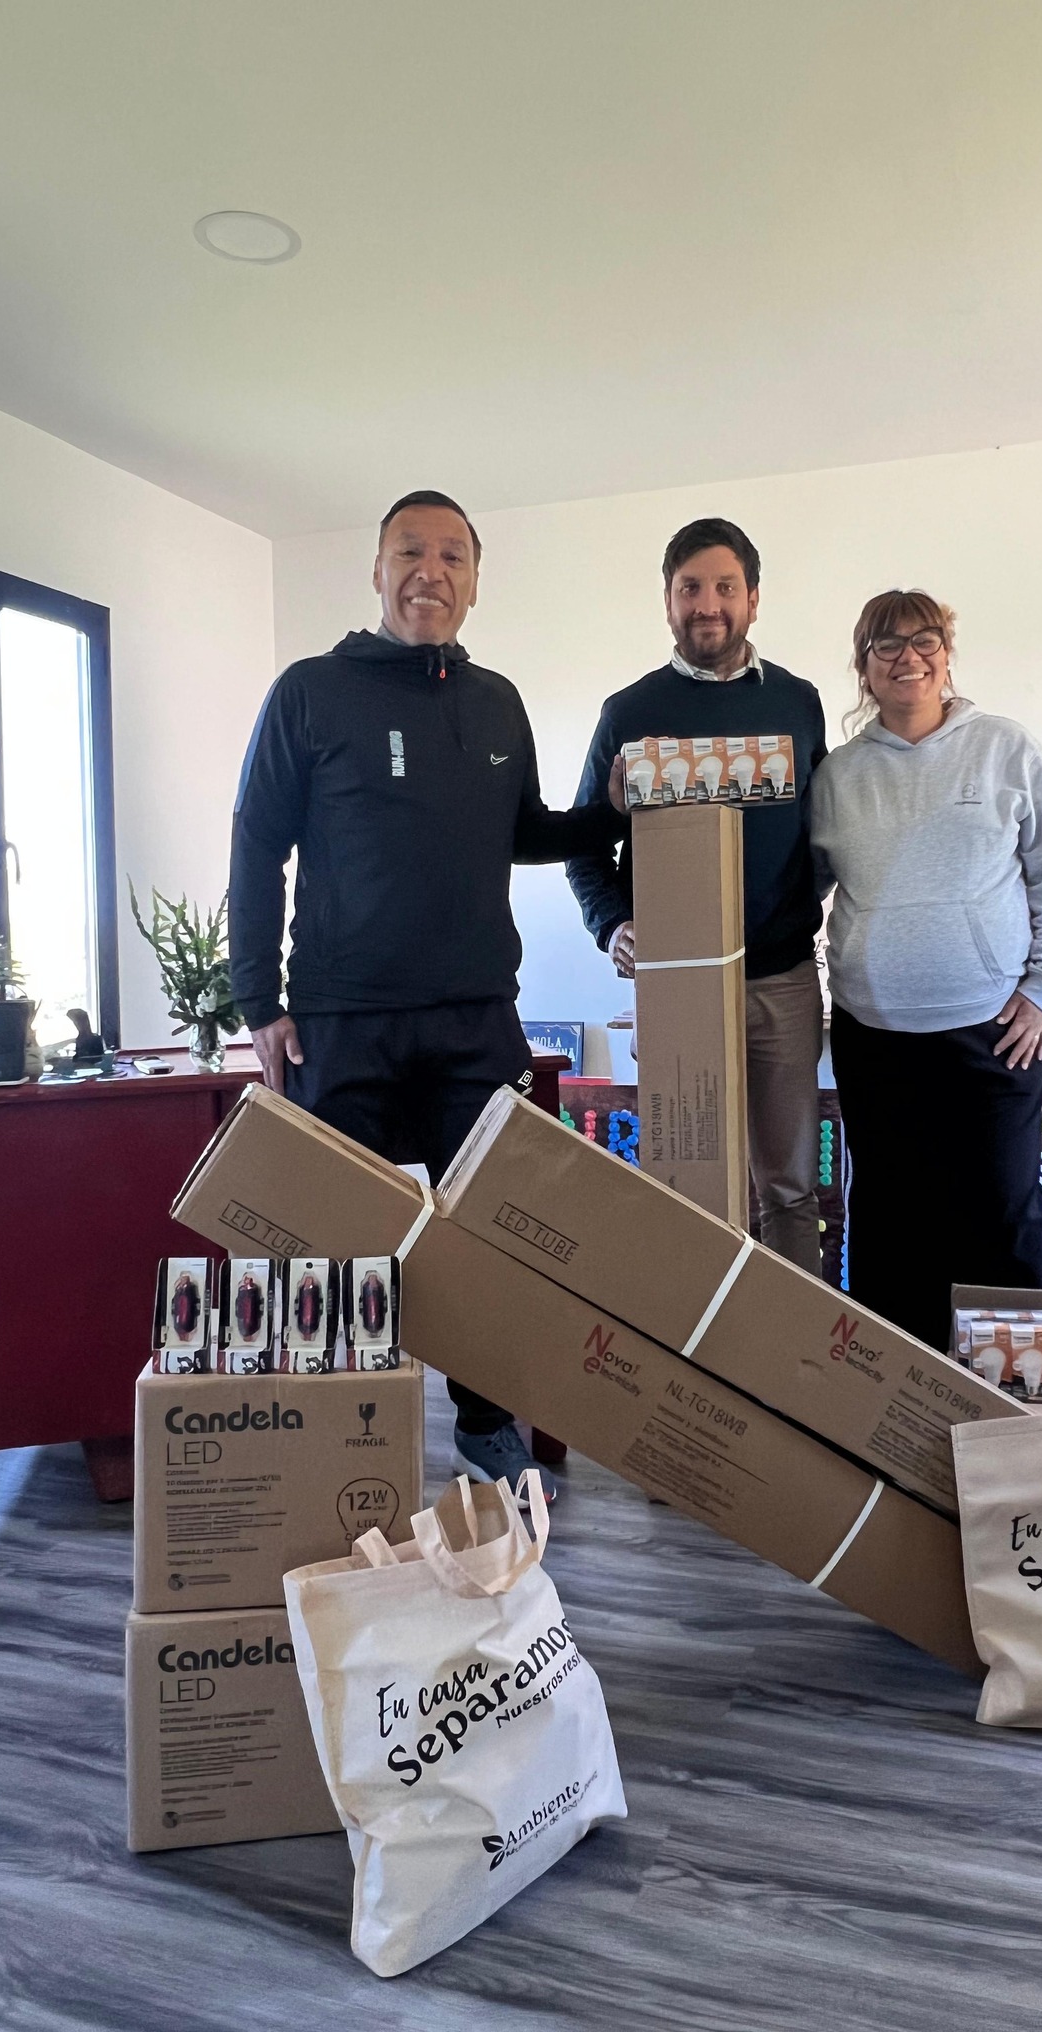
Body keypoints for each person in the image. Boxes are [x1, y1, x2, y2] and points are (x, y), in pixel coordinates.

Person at [229, 489, 626, 1494]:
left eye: (453, 556)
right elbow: (256, 842)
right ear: (376, 570)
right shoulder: (309, 691)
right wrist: (257, 1001)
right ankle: (340, 1434)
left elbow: (521, 829)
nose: (430, 572)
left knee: (488, 1234)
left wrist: (608, 816)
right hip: (340, 1020)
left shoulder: (496, 701)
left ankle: (486, 1426)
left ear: (476, 581)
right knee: (335, 1243)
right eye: (410, 551)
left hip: (474, 1016)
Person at [809, 588, 1042, 1350]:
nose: (908, 657)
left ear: (947, 651)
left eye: (923, 639)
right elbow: (799, 894)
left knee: (1005, 1213)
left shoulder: (1005, 749)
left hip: (992, 1035)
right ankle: (907, 1391)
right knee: (893, 1224)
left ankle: (1031, 1389)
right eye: (887, 645)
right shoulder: (837, 778)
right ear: (865, 667)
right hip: (873, 1039)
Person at [567, 518, 829, 1275]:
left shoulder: (798, 703)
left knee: (789, 1190)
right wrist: (612, 924)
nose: (707, 605)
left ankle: (790, 1340)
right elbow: (586, 842)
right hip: (678, 987)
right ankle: (700, 1335)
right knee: (689, 1190)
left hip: (782, 981)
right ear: (668, 600)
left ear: (753, 598)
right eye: (690, 589)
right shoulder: (628, 712)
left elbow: (825, 831)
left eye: (724, 587)